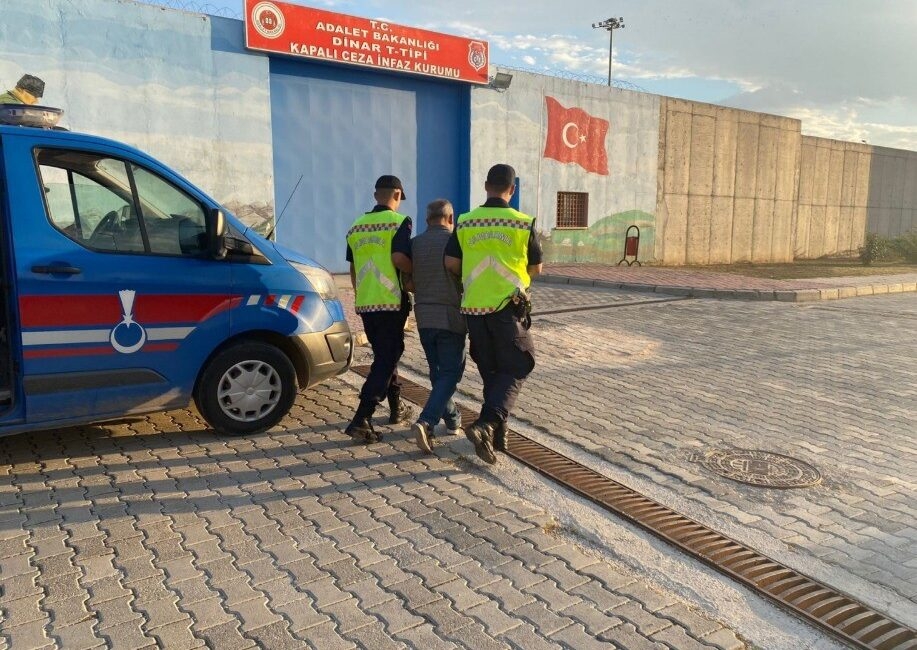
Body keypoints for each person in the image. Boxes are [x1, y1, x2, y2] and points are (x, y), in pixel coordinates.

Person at [445, 164, 542, 464]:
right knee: (520, 362)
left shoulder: (465, 221)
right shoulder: (522, 223)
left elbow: (451, 262)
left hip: (474, 308)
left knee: (492, 371)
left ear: (486, 185)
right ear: (511, 190)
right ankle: (486, 425)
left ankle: (499, 434)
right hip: (507, 308)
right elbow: (536, 268)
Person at [344, 175, 415, 443]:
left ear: (376, 196)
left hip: (366, 303)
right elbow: (399, 258)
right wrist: (414, 274)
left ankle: (396, 408)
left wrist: (362, 294)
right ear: (397, 195)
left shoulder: (356, 226)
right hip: (391, 301)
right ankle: (362, 416)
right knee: (387, 358)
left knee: (385, 354)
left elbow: (352, 268)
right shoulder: (399, 222)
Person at [410, 199, 466, 453]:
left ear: (426, 220)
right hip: (450, 316)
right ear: (451, 219)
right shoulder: (456, 242)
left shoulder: (414, 244)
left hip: (423, 316)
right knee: (451, 373)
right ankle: (427, 421)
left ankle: (452, 419)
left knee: (438, 372)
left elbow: (408, 282)